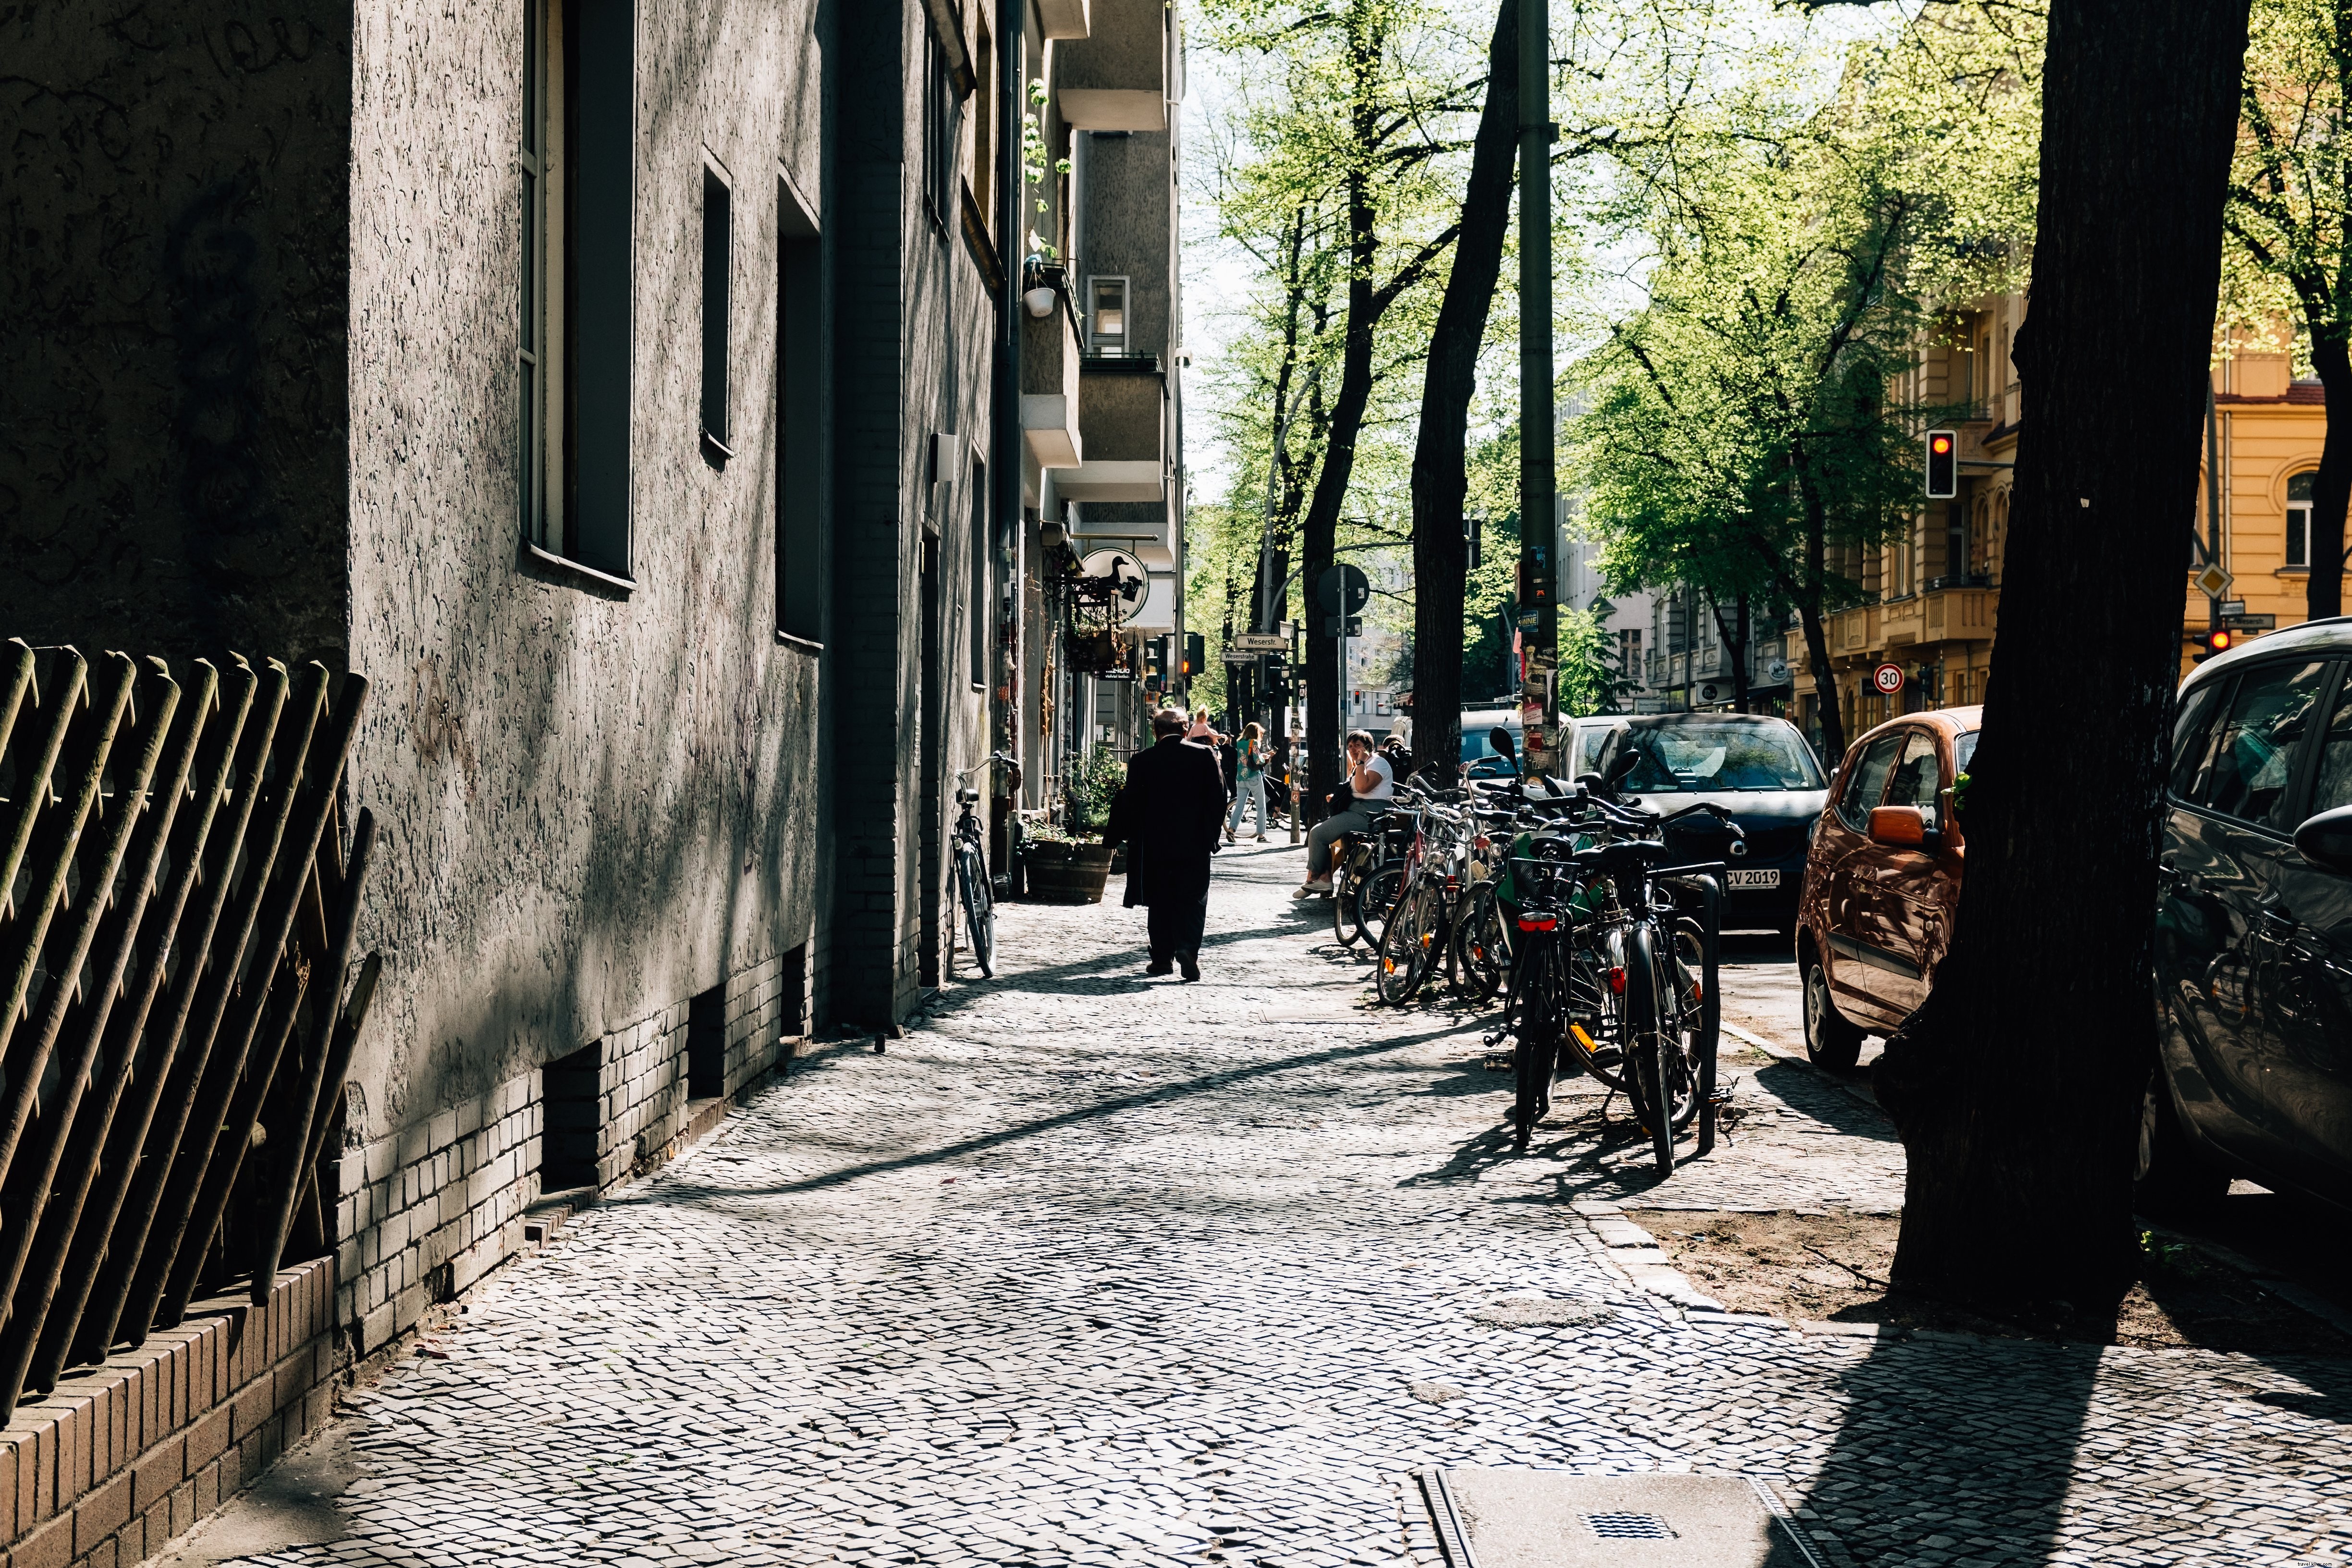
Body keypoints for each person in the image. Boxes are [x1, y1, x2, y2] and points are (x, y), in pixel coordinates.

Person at [1102, 707, 1228, 979]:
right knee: (1194, 898)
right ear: (1186, 731)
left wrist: (1129, 837)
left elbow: (1131, 803)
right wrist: (1210, 836)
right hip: (1194, 842)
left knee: (1159, 900)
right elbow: (1219, 797)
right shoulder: (1204, 755)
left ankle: (1161, 958)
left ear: (1155, 732)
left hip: (1154, 844)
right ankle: (1187, 949)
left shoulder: (1142, 760)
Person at [1295, 730, 1393, 898]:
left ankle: (1314, 879)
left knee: (1318, 834)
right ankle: (1322, 879)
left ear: (1368, 747)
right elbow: (1356, 789)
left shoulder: (1378, 763)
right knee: (1328, 836)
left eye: (1358, 746)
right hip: (1358, 811)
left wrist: (1361, 762)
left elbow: (1363, 788)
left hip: (1369, 814)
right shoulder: (1362, 765)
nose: (1353, 750)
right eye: (1350, 746)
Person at [1227, 722, 1271, 843]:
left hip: (1241, 778)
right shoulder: (1254, 742)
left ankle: (1231, 830)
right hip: (1253, 778)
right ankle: (1261, 836)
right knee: (1261, 807)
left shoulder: (1239, 742)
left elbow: (1246, 756)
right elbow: (1258, 760)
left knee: (1239, 806)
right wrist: (1266, 757)